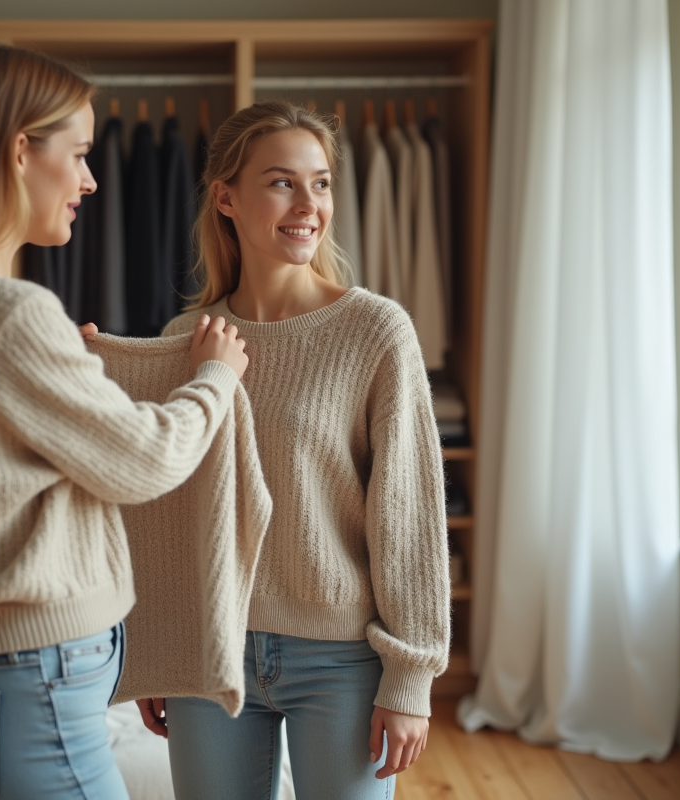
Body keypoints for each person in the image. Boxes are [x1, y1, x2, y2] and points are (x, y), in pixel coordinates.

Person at [0, 43, 248, 800]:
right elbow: (147, 461)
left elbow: (0, 464)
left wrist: (77, 381)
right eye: (80, 154)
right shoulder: (8, 313)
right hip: (26, 694)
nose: (93, 180)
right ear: (18, 152)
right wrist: (215, 378)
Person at [138, 100, 450, 800]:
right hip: (211, 655)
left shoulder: (374, 331)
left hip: (340, 661)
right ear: (226, 197)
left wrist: (411, 678)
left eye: (322, 182)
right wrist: (158, 649)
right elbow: (168, 509)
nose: (308, 203)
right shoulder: (187, 335)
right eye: (282, 181)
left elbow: (409, 518)